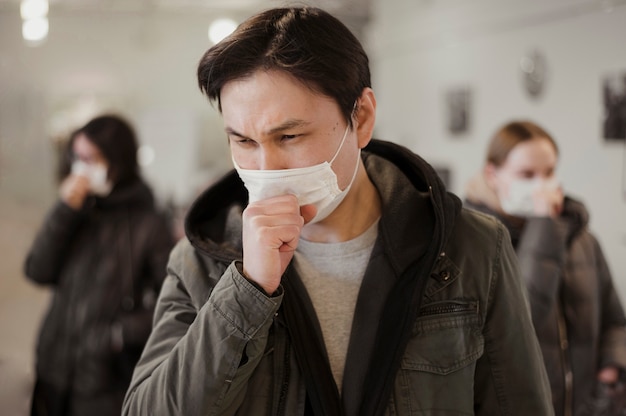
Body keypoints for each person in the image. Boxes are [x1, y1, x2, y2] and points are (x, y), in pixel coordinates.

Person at [123, 7, 553, 415]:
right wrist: (247, 290)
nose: (266, 170)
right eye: (244, 142)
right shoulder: (203, 259)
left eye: (289, 136)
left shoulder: (471, 248)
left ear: (361, 118)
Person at [465, 120, 626, 415]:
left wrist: (609, 378)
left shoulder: (583, 241)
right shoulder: (475, 243)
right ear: (493, 174)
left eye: (549, 172)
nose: (542, 185)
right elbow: (526, 318)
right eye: (527, 174)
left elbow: (615, 321)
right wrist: (544, 226)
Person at [24, 114, 175, 416]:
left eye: (92, 158)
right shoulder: (78, 212)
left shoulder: (149, 223)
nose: (82, 168)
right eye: (77, 157)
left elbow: (173, 302)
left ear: (118, 160)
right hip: (52, 368)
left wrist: (117, 335)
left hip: (105, 382)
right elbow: (37, 271)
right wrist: (64, 211)